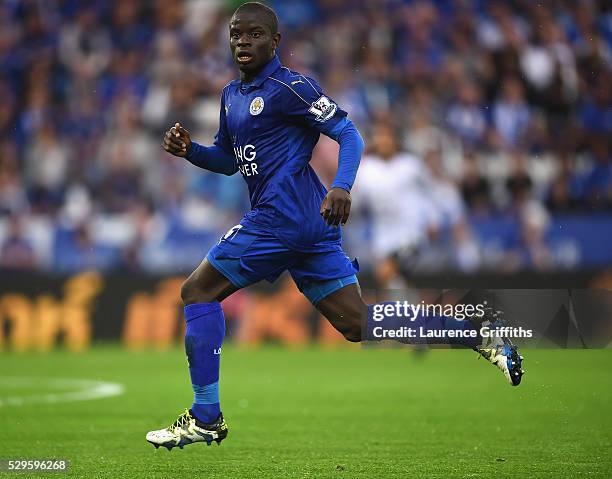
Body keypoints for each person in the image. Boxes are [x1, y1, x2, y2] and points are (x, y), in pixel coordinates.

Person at [146, 2, 523, 452]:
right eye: (236, 34)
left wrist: (342, 186)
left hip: (280, 220)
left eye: (254, 34)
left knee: (196, 292)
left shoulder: (292, 87)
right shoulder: (231, 96)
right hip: (308, 224)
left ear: (275, 41)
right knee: (356, 323)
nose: (243, 41)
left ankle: (206, 417)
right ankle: (474, 331)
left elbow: (349, 133)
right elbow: (230, 162)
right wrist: (191, 151)